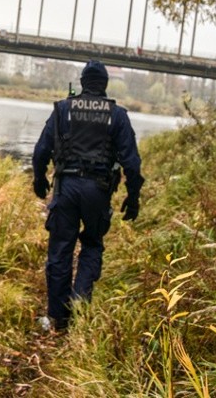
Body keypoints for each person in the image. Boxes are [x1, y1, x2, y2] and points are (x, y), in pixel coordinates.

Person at [31, 59, 144, 331]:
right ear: (105, 85)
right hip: (98, 191)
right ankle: (79, 305)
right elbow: (132, 163)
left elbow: (41, 150)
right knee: (92, 244)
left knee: (60, 250)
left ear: (81, 83)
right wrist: (133, 196)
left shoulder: (62, 109)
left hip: (66, 188)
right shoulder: (117, 115)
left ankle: (58, 318)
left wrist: (39, 178)